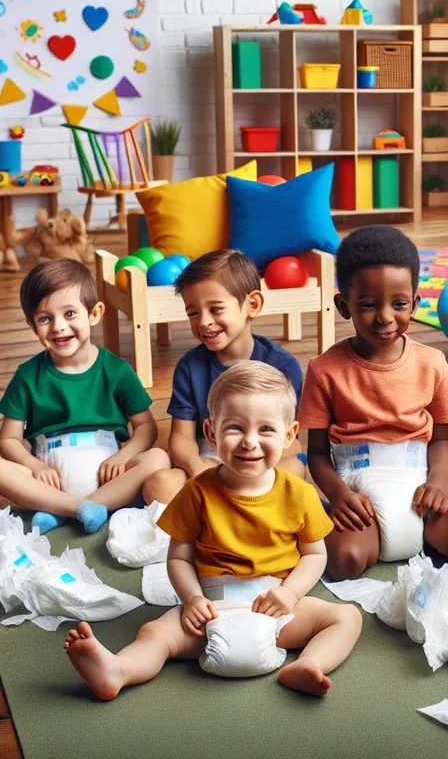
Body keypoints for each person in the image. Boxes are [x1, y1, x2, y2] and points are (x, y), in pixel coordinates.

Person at [64, 362, 362, 698]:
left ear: (290, 435)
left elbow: (314, 554)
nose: (250, 442)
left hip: (276, 609)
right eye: (235, 427)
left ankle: (309, 665)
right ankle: (118, 670)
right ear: (210, 432)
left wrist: (290, 593)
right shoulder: (196, 491)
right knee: (156, 633)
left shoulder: (300, 493)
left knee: (345, 617)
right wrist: (191, 599)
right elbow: (178, 557)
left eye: (266, 429)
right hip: (210, 611)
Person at [299, 225, 448, 580]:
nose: (385, 317)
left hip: (419, 486)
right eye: (368, 305)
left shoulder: (432, 363)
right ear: (344, 306)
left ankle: (429, 533)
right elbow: (317, 454)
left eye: (399, 304)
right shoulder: (324, 370)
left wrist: (439, 482)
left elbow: (442, 439)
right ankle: (331, 515)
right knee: (345, 561)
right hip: (358, 489)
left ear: (415, 304)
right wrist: (339, 496)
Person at [0, 259, 169, 533]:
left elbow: (146, 427)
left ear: (94, 313)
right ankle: (73, 508)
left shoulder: (116, 370)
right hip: (49, 479)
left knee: (158, 458)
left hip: (106, 475)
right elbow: (8, 438)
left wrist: (124, 457)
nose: (58, 327)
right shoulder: (27, 375)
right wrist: (33, 465)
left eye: (69, 314)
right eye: (45, 318)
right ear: (33, 326)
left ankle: (74, 508)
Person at [142, 249, 305, 504]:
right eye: (193, 313)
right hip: (210, 461)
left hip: (261, 461)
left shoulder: (283, 367)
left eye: (215, 309)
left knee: (295, 469)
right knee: (160, 483)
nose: (204, 322)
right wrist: (198, 467)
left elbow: (291, 444)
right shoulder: (189, 367)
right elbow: (181, 437)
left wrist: (251, 469)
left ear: (252, 304)